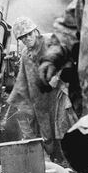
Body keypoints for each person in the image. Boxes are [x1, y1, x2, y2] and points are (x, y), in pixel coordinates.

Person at [7, 16, 78, 163]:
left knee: (64, 126)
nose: (27, 39)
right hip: (42, 98)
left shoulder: (50, 42)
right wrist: (20, 100)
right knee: (46, 135)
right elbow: (23, 78)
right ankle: (53, 161)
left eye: (29, 34)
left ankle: (72, 162)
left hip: (61, 92)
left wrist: (55, 78)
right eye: (22, 38)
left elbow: (68, 61)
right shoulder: (26, 54)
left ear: (35, 31)